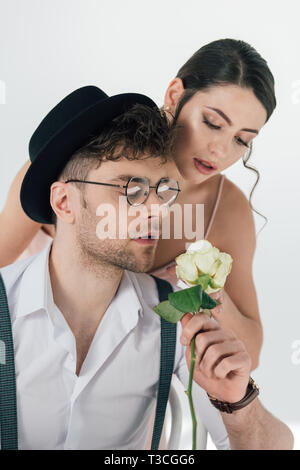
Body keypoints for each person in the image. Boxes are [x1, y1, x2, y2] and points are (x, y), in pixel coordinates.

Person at [0, 86, 293, 450]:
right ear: (64, 201)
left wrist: (239, 404)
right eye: (131, 190)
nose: (157, 210)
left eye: (165, 191)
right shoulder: (6, 308)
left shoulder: (175, 318)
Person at [0, 39, 276, 373]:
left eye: (242, 140)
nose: (221, 150)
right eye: (213, 123)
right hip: (30, 362)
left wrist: (207, 287)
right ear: (174, 95)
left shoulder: (225, 210)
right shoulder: (80, 163)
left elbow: (251, 353)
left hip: (132, 384)